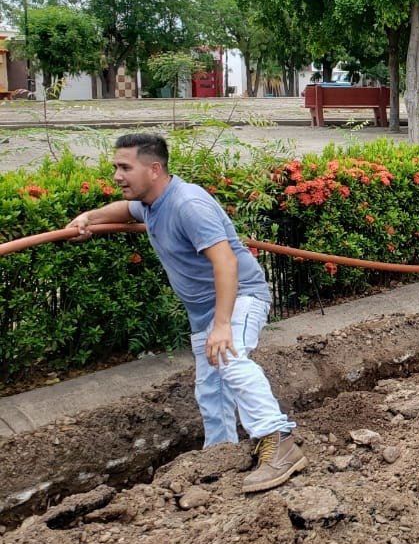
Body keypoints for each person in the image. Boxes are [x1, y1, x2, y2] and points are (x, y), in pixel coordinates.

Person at [66, 133, 307, 495]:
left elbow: (225, 262)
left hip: (239, 298)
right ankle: (219, 456)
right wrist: (89, 217)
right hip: (205, 312)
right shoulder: (151, 202)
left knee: (231, 358)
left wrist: (222, 325)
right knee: (211, 390)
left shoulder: (187, 204)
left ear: (154, 168)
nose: (117, 176)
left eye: (124, 167)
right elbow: (124, 209)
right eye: (116, 166)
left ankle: (279, 442)